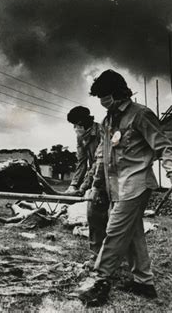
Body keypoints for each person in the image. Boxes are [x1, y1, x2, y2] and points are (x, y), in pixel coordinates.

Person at [74, 69, 172, 306]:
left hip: (136, 184)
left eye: (105, 96)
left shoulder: (141, 115)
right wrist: (96, 186)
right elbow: (101, 156)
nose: (102, 102)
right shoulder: (108, 120)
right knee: (133, 232)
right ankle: (144, 282)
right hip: (115, 186)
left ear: (117, 93)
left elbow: (164, 147)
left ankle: (99, 279)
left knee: (115, 231)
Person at [64, 106, 109, 263]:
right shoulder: (80, 137)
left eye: (75, 126)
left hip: (110, 175)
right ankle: (96, 254)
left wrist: (83, 187)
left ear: (82, 124)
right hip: (96, 177)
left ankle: (111, 254)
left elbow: (98, 162)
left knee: (110, 218)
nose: (74, 129)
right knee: (93, 215)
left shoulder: (102, 131)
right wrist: (74, 185)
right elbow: (82, 163)